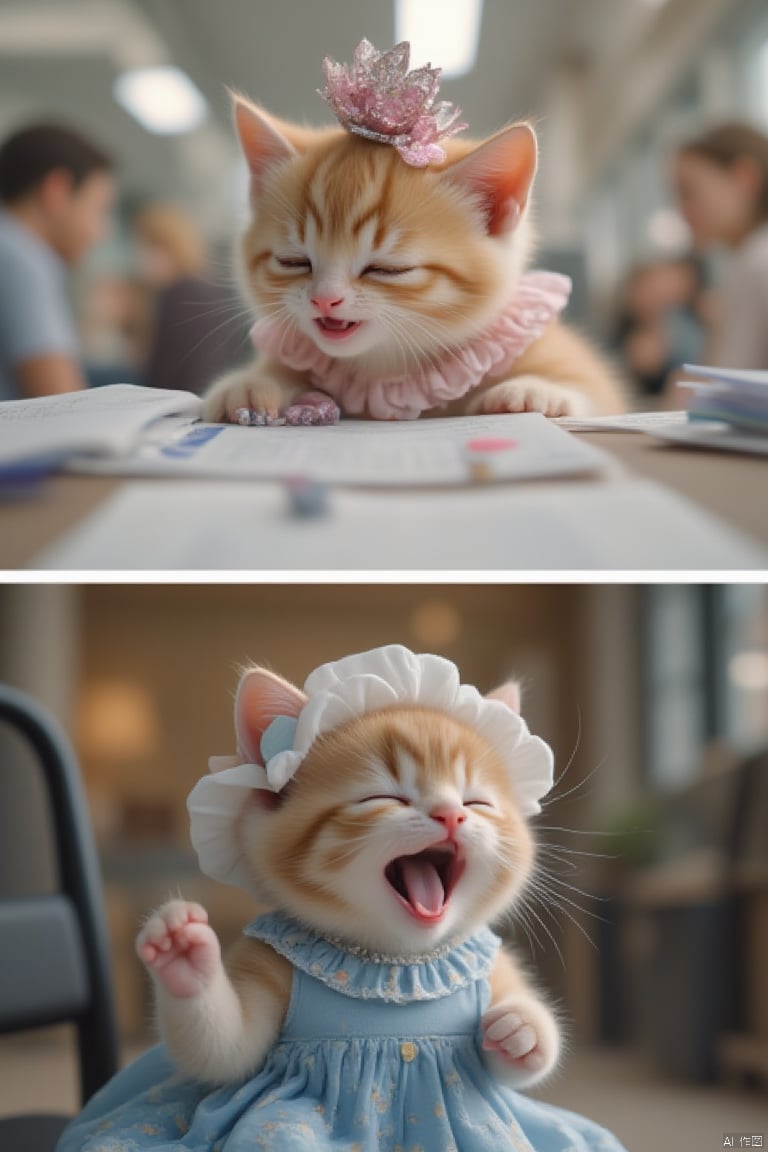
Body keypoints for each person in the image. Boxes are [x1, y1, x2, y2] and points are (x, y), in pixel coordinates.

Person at [0, 122, 115, 401]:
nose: (102, 232)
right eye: (98, 209)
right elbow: (65, 404)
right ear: (57, 190)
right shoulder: (22, 256)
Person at [675, 122, 768, 369]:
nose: (681, 210)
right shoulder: (748, 260)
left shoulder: (757, 262)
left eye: (688, 191)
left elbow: (729, 383)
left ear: (744, 177)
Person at [134, 204, 247, 396]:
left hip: (181, 404)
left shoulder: (180, 293)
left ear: (172, 248)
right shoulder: (200, 289)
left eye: (151, 249)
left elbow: (162, 375)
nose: (142, 260)